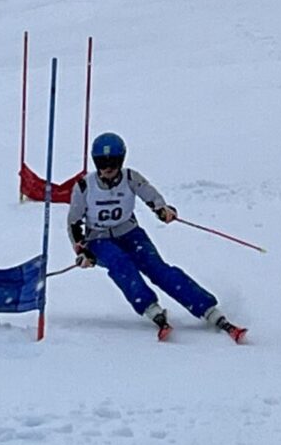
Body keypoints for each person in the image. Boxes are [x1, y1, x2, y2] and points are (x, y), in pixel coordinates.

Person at [69, 132, 245, 342]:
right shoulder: (84, 187)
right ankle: (150, 308)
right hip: (98, 239)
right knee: (120, 264)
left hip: (129, 232)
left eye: (113, 162)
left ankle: (207, 308)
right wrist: (82, 251)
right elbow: (74, 222)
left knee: (157, 268)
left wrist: (162, 209)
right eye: (102, 163)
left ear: (121, 160)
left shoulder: (131, 178)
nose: (108, 168)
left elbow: (150, 196)